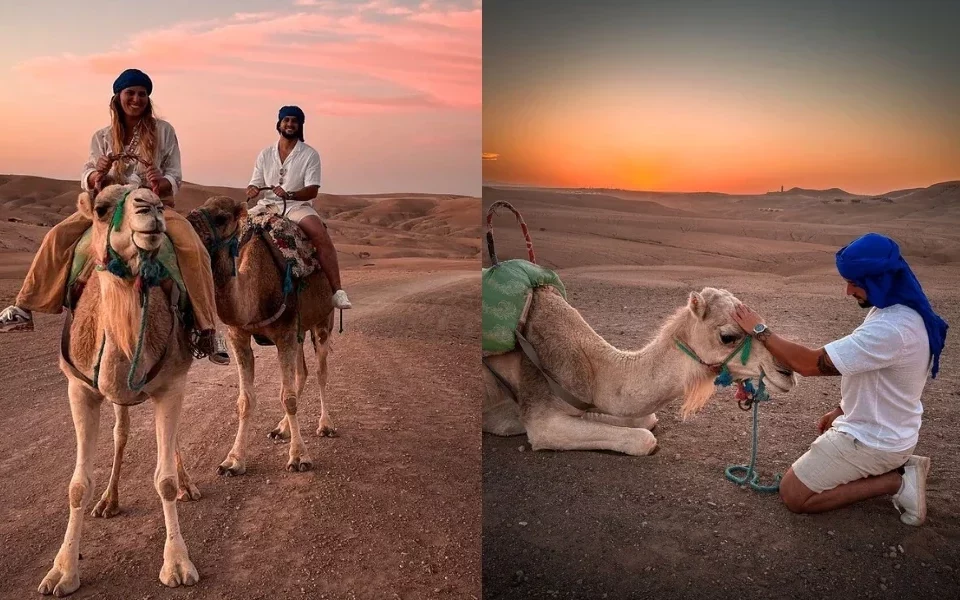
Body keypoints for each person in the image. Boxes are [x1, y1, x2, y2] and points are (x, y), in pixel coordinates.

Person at [0, 68, 230, 365]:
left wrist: (161, 180)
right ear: (118, 97)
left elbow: (175, 175)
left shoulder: (164, 132)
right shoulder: (103, 136)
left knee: (193, 247)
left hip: (150, 202)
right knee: (57, 236)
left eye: (142, 94)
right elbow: (88, 173)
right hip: (110, 205)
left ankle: (207, 328)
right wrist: (97, 174)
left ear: (148, 99)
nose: (136, 99)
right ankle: (24, 305)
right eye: (130, 93)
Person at [731, 232, 947, 526]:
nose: (847, 291)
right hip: (883, 429)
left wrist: (759, 330)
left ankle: (896, 482)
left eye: (855, 284)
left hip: (875, 442)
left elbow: (808, 364)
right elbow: (875, 375)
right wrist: (842, 409)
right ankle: (895, 466)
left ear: (879, 281)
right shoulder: (896, 311)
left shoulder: (892, 329)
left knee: (794, 495)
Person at [245, 105, 352, 310]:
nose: (290, 124)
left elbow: (312, 190)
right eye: (286, 120)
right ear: (279, 124)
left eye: (294, 121)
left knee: (319, 234)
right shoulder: (265, 154)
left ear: (300, 125)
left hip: (296, 206)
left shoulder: (310, 155)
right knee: (235, 230)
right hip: (267, 205)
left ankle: (338, 291)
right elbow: (255, 182)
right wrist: (252, 189)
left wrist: (290, 194)